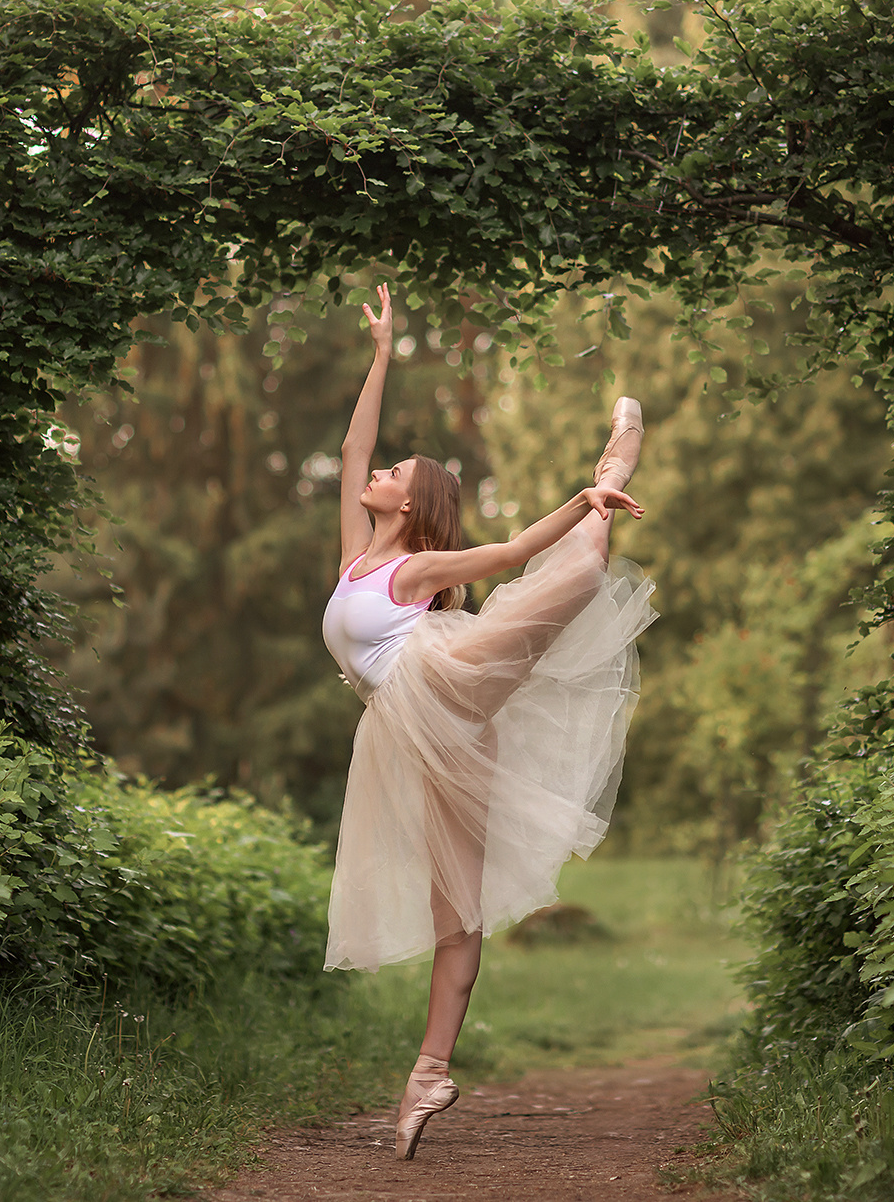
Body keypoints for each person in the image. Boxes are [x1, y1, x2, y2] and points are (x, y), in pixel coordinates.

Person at [320, 283, 657, 1159]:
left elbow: (506, 554)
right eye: (383, 471)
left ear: (409, 506)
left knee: (573, 575)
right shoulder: (356, 557)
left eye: (394, 474)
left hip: (446, 683)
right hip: (417, 730)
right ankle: (429, 1074)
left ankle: (612, 473)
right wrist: (382, 352)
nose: (377, 474)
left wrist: (580, 502)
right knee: (458, 909)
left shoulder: (416, 568)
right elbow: (352, 447)